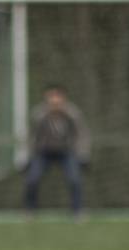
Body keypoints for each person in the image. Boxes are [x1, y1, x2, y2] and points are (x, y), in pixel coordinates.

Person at [24, 84, 91, 217]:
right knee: (32, 179)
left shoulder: (72, 113)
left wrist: (83, 154)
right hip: (43, 152)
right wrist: (27, 155)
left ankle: (77, 211)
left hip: (66, 152)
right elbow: (31, 136)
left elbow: (82, 134)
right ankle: (30, 210)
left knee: (74, 179)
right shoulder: (39, 114)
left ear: (63, 98)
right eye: (51, 97)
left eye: (57, 97)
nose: (54, 100)